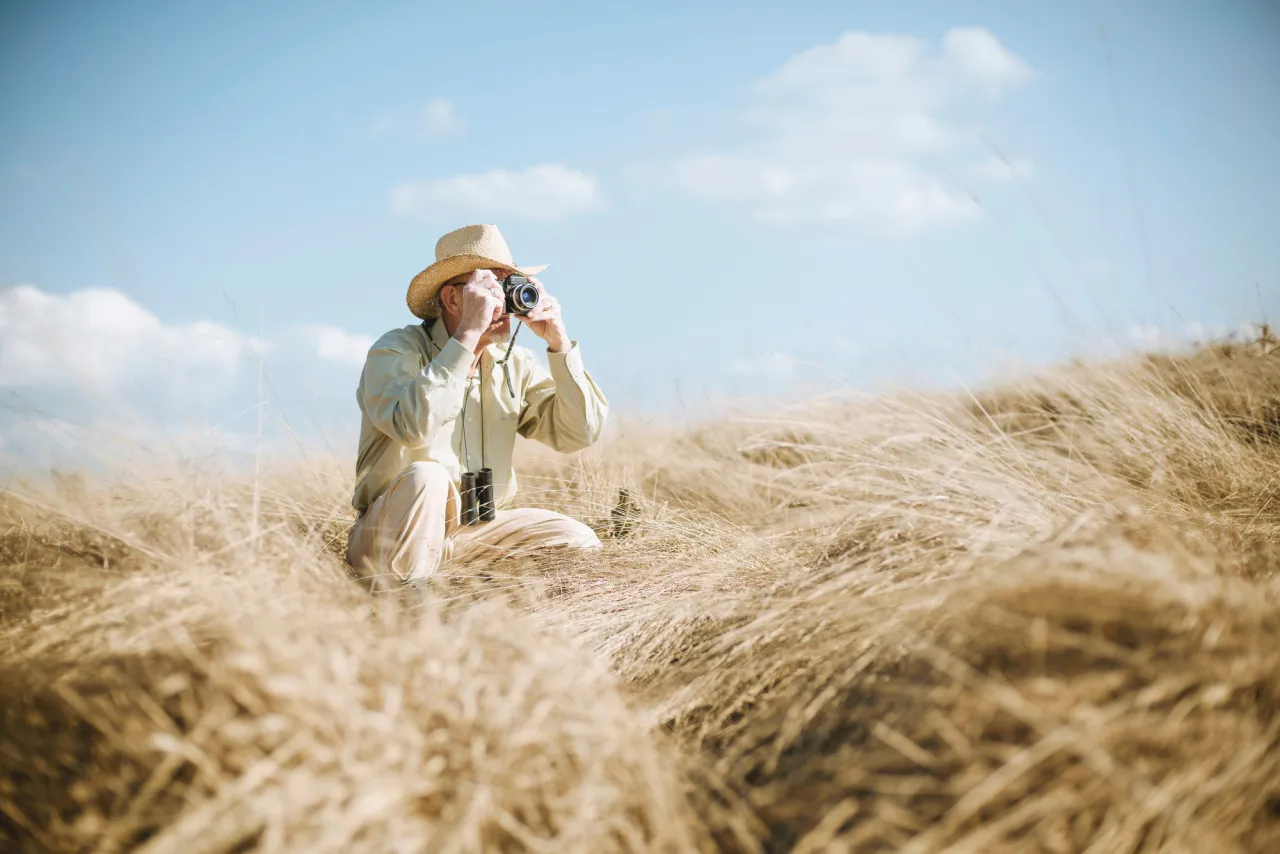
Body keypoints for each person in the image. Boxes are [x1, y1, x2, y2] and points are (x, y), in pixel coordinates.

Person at [346, 223, 609, 584]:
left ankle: (523, 624)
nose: (504, 299)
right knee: (428, 476)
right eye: (490, 287)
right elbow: (413, 426)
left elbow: (579, 434)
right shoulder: (395, 350)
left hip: (478, 532)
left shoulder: (512, 364)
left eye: (509, 284)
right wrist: (469, 337)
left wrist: (559, 344)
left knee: (577, 541)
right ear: (453, 299)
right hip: (392, 532)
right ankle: (403, 616)